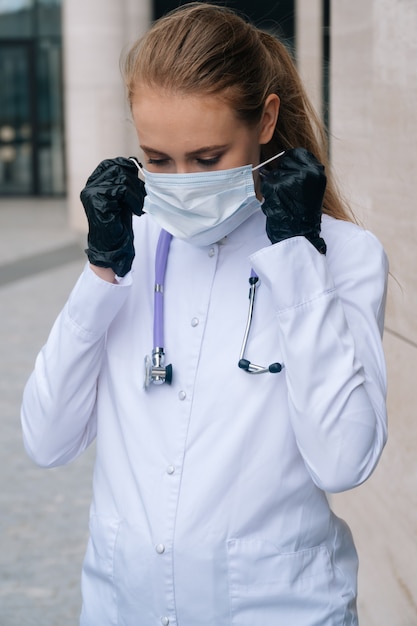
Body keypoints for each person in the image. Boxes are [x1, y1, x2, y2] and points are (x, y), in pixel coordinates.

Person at [21, 3, 388, 625]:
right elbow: (46, 440)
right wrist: (101, 272)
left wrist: (297, 260)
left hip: (278, 610)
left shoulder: (342, 255)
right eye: (158, 160)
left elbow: (344, 459)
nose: (182, 181)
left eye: (209, 157)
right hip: (123, 607)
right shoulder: (126, 246)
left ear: (266, 119)